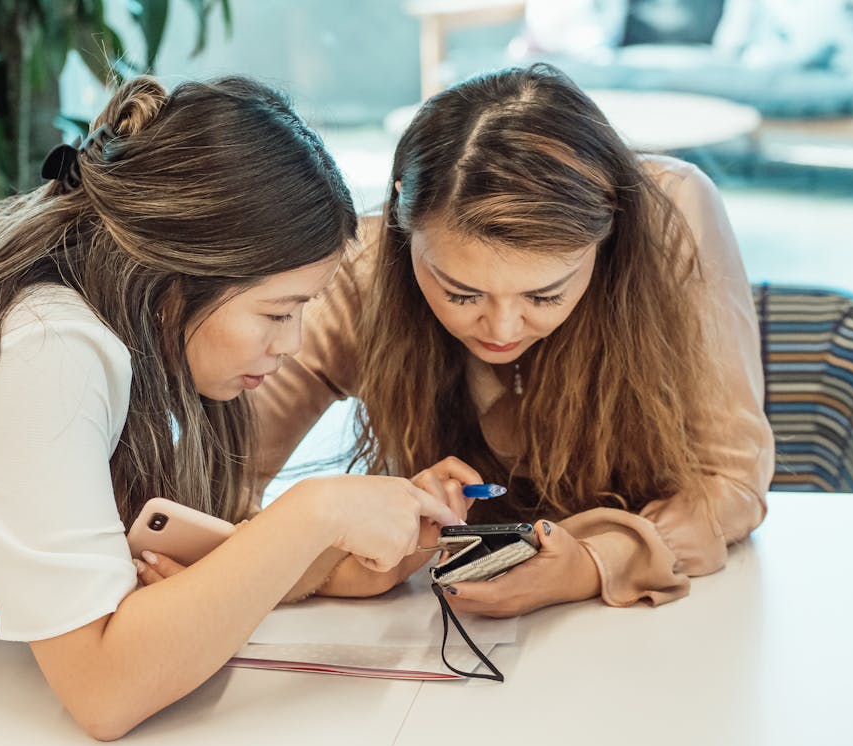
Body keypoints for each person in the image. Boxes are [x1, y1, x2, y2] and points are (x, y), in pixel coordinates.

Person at [0, 75, 463, 740]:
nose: (291, 344)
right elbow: (104, 688)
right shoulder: (46, 351)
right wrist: (316, 511)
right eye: (277, 311)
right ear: (178, 279)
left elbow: (167, 569)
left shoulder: (67, 307)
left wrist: (334, 551)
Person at [253, 64, 775, 616]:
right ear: (405, 220)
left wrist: (594, 562)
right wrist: (348, 556)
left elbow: (731, 483)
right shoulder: (362, 271)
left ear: (610, 231)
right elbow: (223, 485)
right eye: (460, 294)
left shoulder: (672, 216)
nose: (501, 331)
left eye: (544, 296)